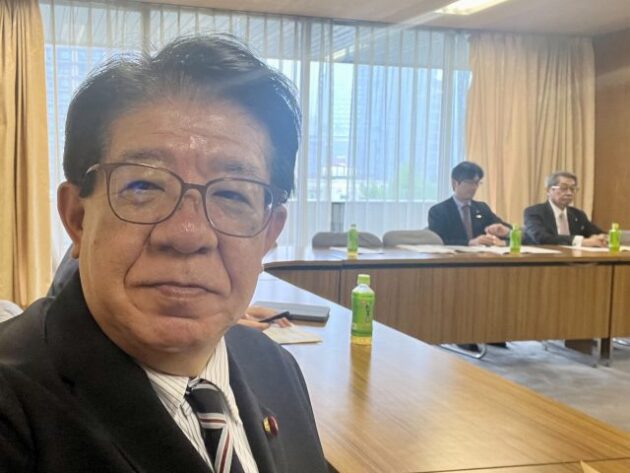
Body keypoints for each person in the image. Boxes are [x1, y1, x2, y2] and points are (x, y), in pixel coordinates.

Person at [0, 35, 328, 472]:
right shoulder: (12, 409)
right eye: (144, 186)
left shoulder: (274, 367)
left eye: (232, 194)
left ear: (269, 233)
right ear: (77, 216)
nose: (188, 234)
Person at [428, 161, 511, 246]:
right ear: (455, 183)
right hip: (453, 254)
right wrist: (469, 243)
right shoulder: (438, 211)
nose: (474, 187)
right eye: (469, 182)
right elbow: (438, 241)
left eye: (477, 183)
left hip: (482, 254)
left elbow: (509, 232)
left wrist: (507, 232)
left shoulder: (482, 209)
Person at [523, 171, 606, 247]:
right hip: (544, 257)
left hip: (574, 257)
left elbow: (598, 233)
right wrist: (581, 241)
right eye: (563, 188)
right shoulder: (533, 212)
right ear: (548, 190)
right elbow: (542, 238)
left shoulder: (578, 215)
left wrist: (601, 237)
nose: (569, 193)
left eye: (572, 189)